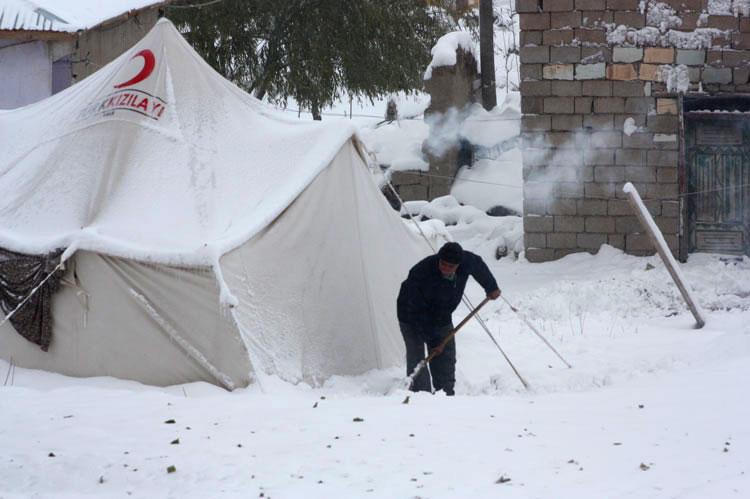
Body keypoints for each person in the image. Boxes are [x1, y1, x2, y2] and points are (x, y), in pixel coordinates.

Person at [397, 242, 500, 396]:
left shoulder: (466, 261)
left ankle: (445, 394)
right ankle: (420, 396)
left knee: (445, 355)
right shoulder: (422, 273)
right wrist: (433, 340)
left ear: (458, 265)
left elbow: (478, 265)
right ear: (439, 259)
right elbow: (417, 310)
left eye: (450, 266)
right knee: (418, 356)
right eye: (443, 264)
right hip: (411, 314)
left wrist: (491, 287)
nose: (445, 268)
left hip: (442, 314)